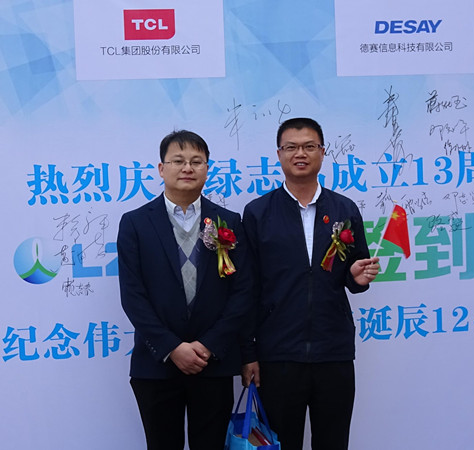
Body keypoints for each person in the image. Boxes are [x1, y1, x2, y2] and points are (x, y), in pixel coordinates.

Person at [240, 117, 380, 450]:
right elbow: (247, 288)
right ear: (279, 154)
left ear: (322, 152)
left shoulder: (344, 209)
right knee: (280, 443)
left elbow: (355, 273)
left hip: (333, 351)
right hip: (278, 354)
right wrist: (248, 353)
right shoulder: (258, 213)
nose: (300, 154)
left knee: (333, 442)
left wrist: (357, 278)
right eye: (291, 147)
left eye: (308, 146)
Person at [118, 130, 252, 450]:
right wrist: (172, 347)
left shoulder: (229, 221)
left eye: (196, 161)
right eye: (178, 161)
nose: (187, 168)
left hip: (213, 362)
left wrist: (209, 344)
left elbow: (243, 291)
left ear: (207, 168)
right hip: (157, 364)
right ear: (161, 168)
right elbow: (133, 297)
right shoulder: (135, 223)